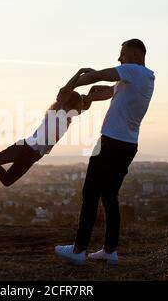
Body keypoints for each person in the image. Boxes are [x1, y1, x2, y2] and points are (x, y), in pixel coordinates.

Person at [55, 39, 155, 265]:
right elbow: (110, 91)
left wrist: (74, 83)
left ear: (133, 54)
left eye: (122, 54)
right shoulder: (141, 78)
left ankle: (79, 250)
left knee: (90, 192)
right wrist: (90, 96)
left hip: (111, 143)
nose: (119, 58)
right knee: (109, 195)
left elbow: (97, 78)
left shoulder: (133, 71)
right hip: (128, 145)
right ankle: (109, 251)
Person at [0, 68, 94, 187]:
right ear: (70, 104)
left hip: (33, 156)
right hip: (25, 148)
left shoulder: (68, 119)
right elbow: (66, 91)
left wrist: (95, 87)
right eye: (77, 107)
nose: (79, 110)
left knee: (7, 180)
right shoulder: (56, 111)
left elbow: (86, 104)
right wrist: (80, 73)